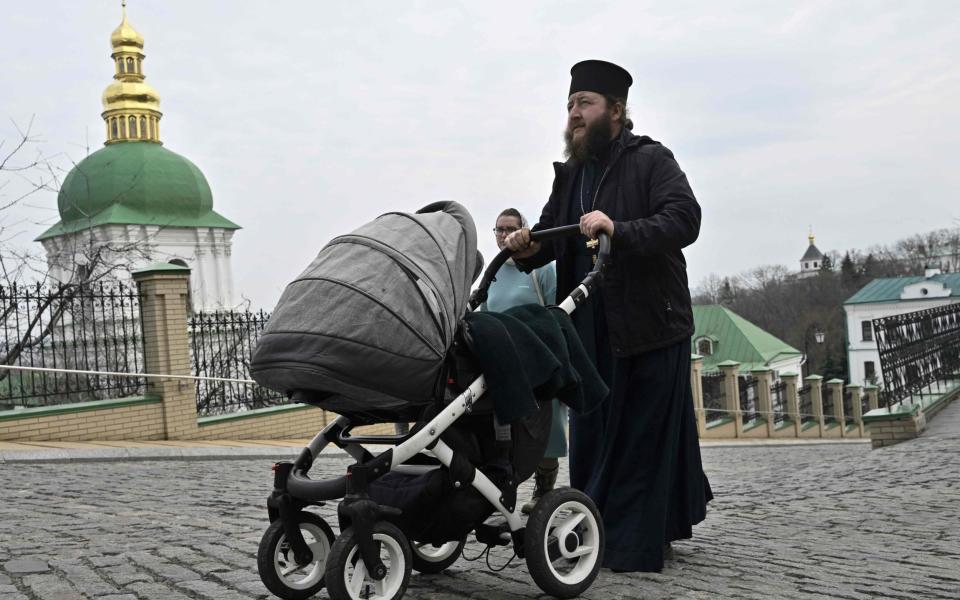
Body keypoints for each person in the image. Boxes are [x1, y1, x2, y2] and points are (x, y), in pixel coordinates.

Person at [504, 59, 712, 573]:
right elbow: (553, 233)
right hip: (591, 330)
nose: (574, 114)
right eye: (570, 105)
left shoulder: (651, 160)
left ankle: (634, 545)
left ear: (615, 111)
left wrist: (618, 227)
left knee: (642, 439)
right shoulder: (571, 174)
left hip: (649, 325)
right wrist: (525, 245)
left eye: (585, 104)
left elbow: (685, 219)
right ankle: (593, 530)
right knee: (594, 439)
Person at [480, 208, 564, 513]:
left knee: (546, 429)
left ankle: (544, 489)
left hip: (538, 356)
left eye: (509, 229)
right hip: (504, 360)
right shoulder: (493, 271)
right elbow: (484, 313)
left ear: (523, 230)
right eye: (498, 229)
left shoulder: (541, 269)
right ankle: (505, 488)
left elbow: (558, 310)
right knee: (508, 431)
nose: (504, 235)